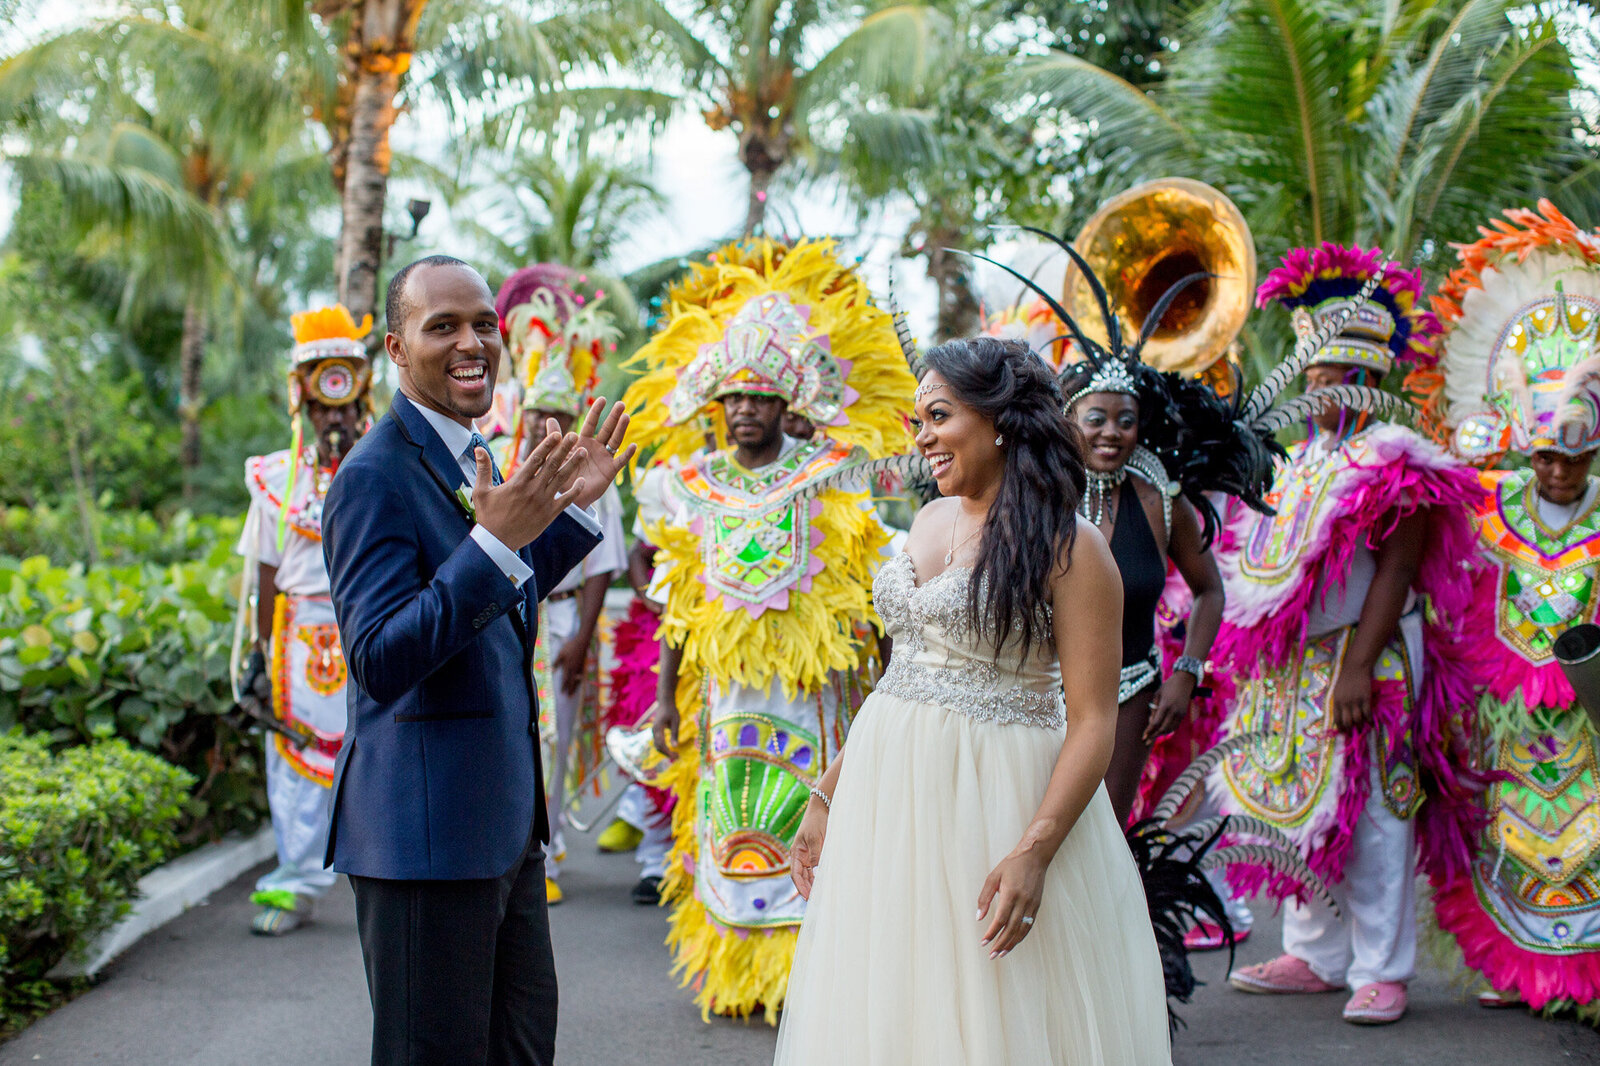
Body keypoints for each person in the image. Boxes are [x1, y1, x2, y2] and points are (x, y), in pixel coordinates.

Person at [774, 335, 1172, 1064]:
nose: (921, 437)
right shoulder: (926, 522)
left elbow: (1091, 722)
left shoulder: (1072, 548)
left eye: (937, 415)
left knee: (999, 1005)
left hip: (998, 799)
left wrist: (1034, 851)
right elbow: (901, 678)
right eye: (918, 420)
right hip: (891, 802)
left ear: (1000, 421)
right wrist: (828, 793)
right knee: (897, 993)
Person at [320, 254, 634, 1066]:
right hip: (423, 838)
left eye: (484, 324)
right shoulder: (373, 476)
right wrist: (495, 541)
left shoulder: (479, 457)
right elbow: (381, 658)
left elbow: (497, 609)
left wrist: (565, 514)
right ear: (394, 348)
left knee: (522, 1052)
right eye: (443, 327)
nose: (473, 343)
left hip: (501, 829)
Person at [625, 237, 917, 1022]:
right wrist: (661, 700)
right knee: (733, 822)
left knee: (815, 826)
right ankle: (744, 974)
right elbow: (678, 602)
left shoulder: (831, 473)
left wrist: (897, 690)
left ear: (788, 404)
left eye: (759, 397)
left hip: (817, 694)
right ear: (715, 406)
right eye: (732, 399)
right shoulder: (691, 488)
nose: (745, 410)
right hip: (727, 698)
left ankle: (810, 978)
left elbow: (870, 585)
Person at [1212, 243, 1484, 1025]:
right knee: (1306, 811)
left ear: (1368, 380)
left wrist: (1357, 668)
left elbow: (1398, 568)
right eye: (1313, 375)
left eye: (1335, 376)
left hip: (1373, 658)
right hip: (1300, 669)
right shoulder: (1299, 463)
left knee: (1376, 811)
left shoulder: (1393, 457)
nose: (1319, 388)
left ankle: (1381, 968)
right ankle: (1316, 954)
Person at [1406, 200, 1600, 1021]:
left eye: (1577, 457)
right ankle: (1515, 968)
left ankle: (1583, 972)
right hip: (1501, 714)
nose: (1559, 472)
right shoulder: (1487, 503)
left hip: (1589, 719)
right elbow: (1441, 565)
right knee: (1504, 831)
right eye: (1548, 456)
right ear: (1529, 448)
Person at [488, 265, 628, 905]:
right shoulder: (497, 466)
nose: (548, 424)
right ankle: (514, 846)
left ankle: (544, 856)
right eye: (539, 411)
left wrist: (580, 642)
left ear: (575, 416)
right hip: (508, 617)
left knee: (559, 734)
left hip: (566, 623)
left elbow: (601, 566)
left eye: (559, 414)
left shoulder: (595, 478)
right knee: (517, 730)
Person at [235, 304, 373, 936]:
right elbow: (263, 571)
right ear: (306, 407)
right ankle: (294, 880)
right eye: (325, 406)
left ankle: (386, 871)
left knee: (380, 750)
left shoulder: (383, 469)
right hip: (299, 638)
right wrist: (258, 652)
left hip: (372, 628)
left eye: (346, 405)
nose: (337, 418)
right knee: (293, 758)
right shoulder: (275, 479)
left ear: (361, 402)